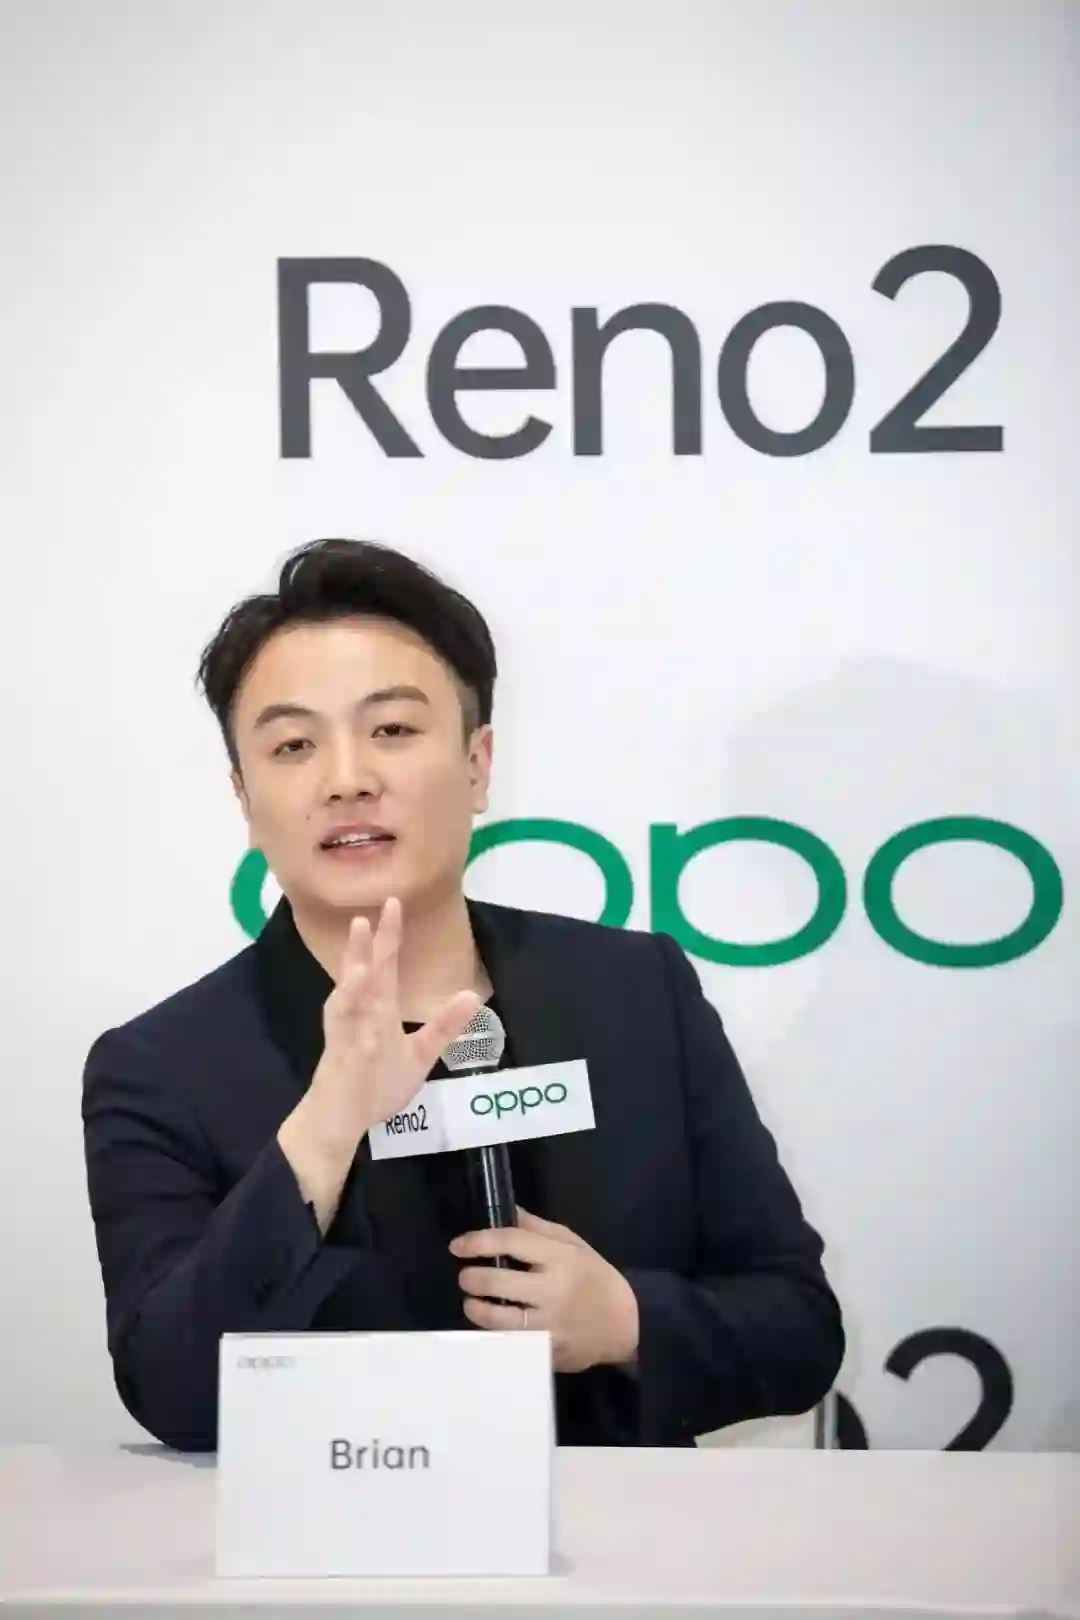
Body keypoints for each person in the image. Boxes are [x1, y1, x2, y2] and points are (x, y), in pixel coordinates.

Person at [82, 538, 845, 1452]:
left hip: (621, 1534)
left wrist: (628, 1321)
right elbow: (169, 1389)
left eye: (393, 730)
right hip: (335, 1535)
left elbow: (799, 1326)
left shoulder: (637, 995)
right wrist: (325, 1126)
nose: (347, 778)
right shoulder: (160, 1067)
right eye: (294, 745)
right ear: (246, 797)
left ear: (478, 765)